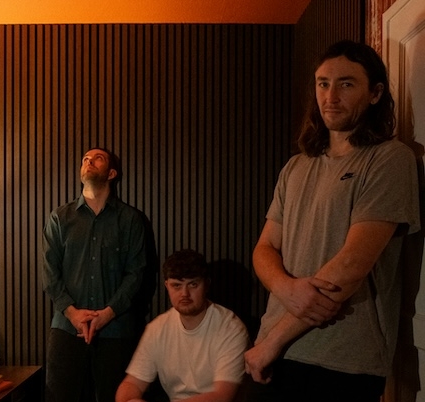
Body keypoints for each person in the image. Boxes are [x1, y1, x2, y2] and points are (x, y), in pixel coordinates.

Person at [244, 40, 420, 401]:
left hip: (343, 361)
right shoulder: (296, 166)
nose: (331, 96)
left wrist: (272, 342)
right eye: (323, 83)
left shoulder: (390, 159)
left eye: (346, 84)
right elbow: (264, 249)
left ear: (375, 93)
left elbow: (352, 265)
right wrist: (286, 289)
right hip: (277, 352)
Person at [42, 147, 150, 402]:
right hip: (66, 328)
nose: (89, 162)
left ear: (111, 173)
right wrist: (72, 313)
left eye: (97, 158)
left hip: (116, 329)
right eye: (85, 159)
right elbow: (49, 273)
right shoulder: (60, 218)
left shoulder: (130, 219)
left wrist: (107, 314)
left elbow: (137, 274)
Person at [116, 249, 249, 402]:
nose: (184, 293)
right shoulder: (157, 328)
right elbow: (132, 384)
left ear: (206, 285)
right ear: (167, 286)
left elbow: (222, 396)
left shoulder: (230, 328)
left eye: (193, 284)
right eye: (177, 286)